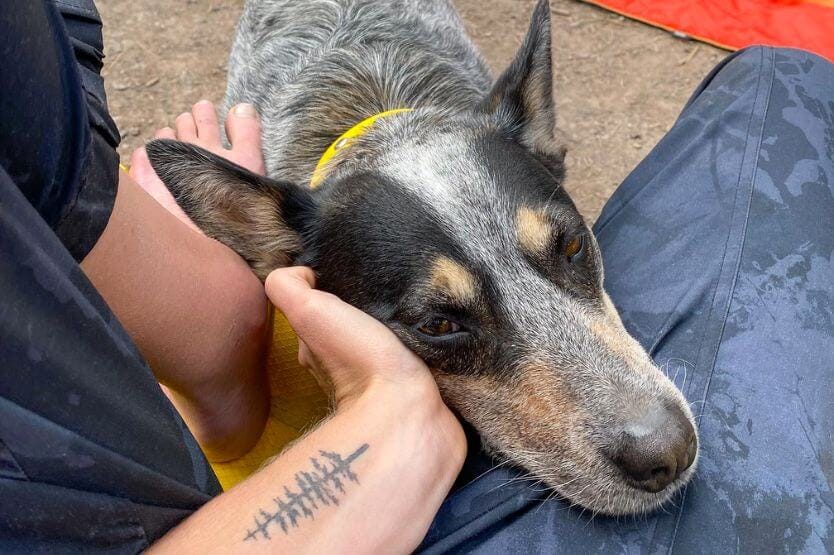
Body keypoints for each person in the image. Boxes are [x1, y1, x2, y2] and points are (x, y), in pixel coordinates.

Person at [1, 1, 831, 554]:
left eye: (569, 252)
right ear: (285, 267)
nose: (649, 426)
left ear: (540, 142)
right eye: (445, 324)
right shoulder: (299, 241)